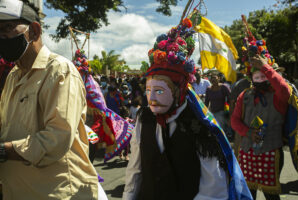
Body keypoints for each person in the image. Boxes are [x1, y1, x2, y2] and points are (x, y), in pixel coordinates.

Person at [123, 18, 252, 200]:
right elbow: (135, 170)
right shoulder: (144, 118)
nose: (151, 98)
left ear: (179, 90)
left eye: (159, 90)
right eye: (148, 90)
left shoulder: (200, 126)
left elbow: (214, 190)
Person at [0, 0, 107, 199]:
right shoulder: (13, 76)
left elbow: (57, 138)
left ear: (34, 31)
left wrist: (4, 151)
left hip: (58, 193)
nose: (2, 37)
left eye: (7, 28)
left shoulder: (60, 71)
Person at [231, 55, 291, 200]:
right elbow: (234, 120)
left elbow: (284, 89)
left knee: (271, 196)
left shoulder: (278, 96)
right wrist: (248, 132)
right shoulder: (244, 95)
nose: (261, 79)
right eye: (256, 76)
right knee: (247, 195)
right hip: (246, 153)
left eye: (264, 75)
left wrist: (265, 66)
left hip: (270, 153)